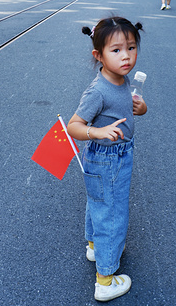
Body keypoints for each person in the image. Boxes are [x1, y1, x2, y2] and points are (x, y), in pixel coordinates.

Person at [67, 17, 147, 302]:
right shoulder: (97, 91)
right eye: (116, 50)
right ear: (98, 56)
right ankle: (106, 278)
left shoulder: (121, 79)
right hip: (108, 159)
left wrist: (141, 107)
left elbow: (133, 109)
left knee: (99, 204)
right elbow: (73, 126)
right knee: (112, 214)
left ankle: (94, 245)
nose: (126, 56)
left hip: (112, 157)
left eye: (131, 47)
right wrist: (97, 131)